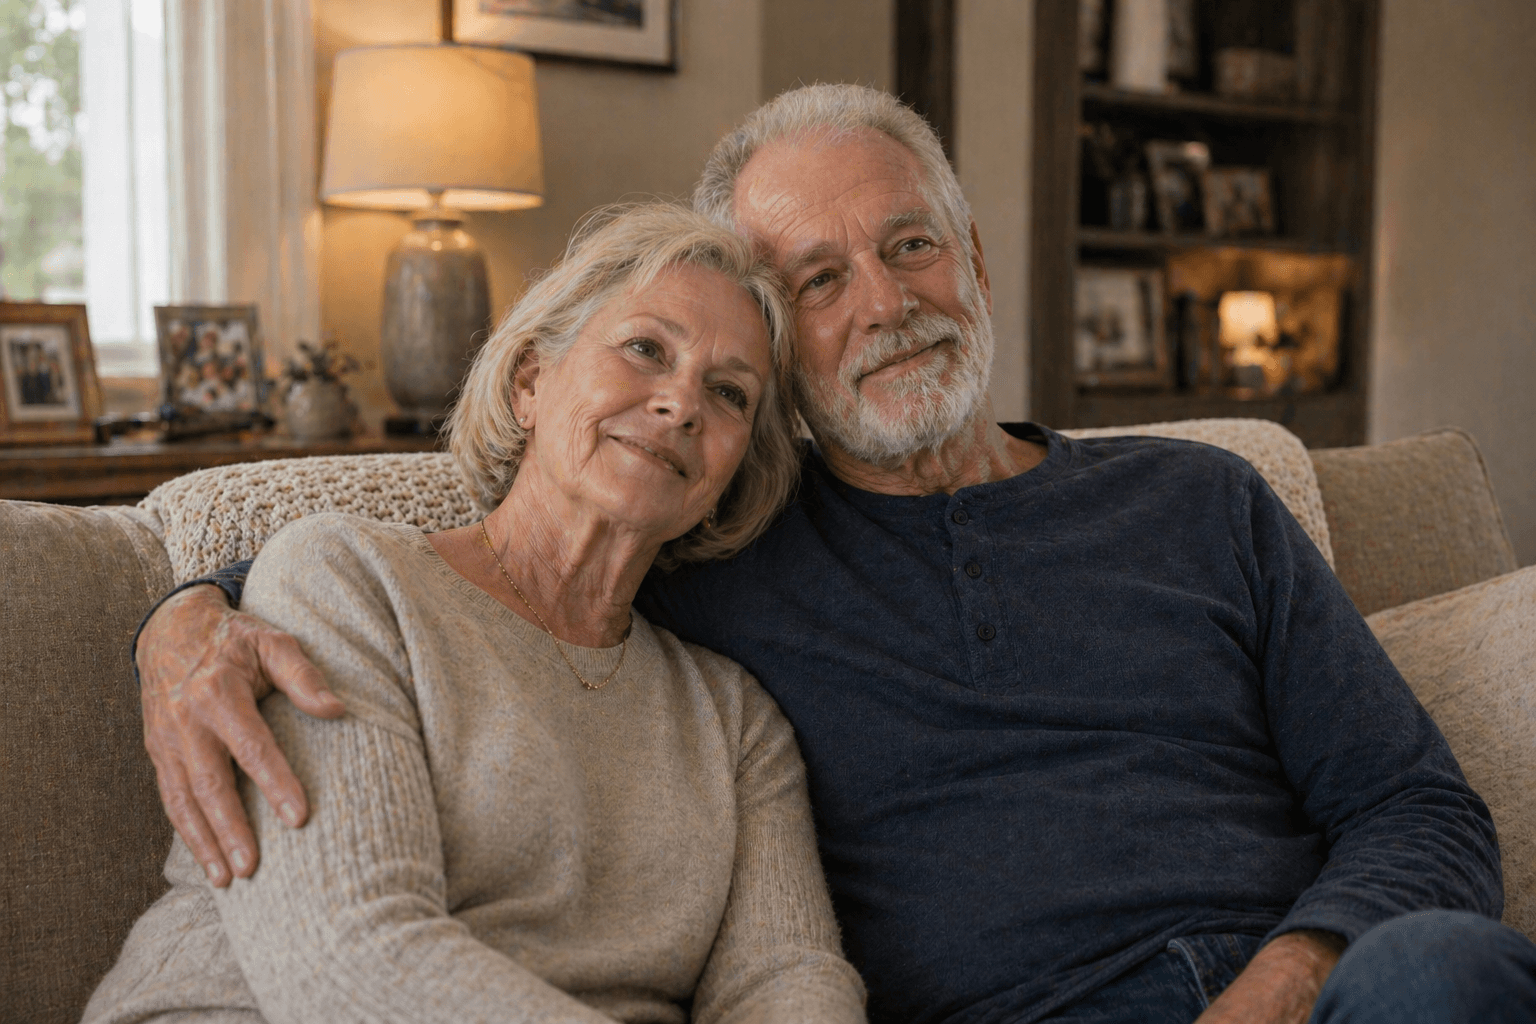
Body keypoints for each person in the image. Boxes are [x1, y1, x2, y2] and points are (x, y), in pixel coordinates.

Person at [134, 86, 1536, 1024]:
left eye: (909, 246)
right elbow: (457, 573)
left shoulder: (1206, 504)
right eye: (816, 280)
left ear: (974, 263)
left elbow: (1423, 810)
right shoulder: (723, 540)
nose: (886, 303)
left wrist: (1292, 975)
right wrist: (184, 616)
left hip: (1315, 1000)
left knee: (1450, 971)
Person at [87, 204, 866, 1023]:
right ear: (531, 381)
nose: (681, 404)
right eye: (645, 349)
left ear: (734, 476)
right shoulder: (346, 579)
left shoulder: (737, 722)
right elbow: (354, 955)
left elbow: (786, 975)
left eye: (729, 392)